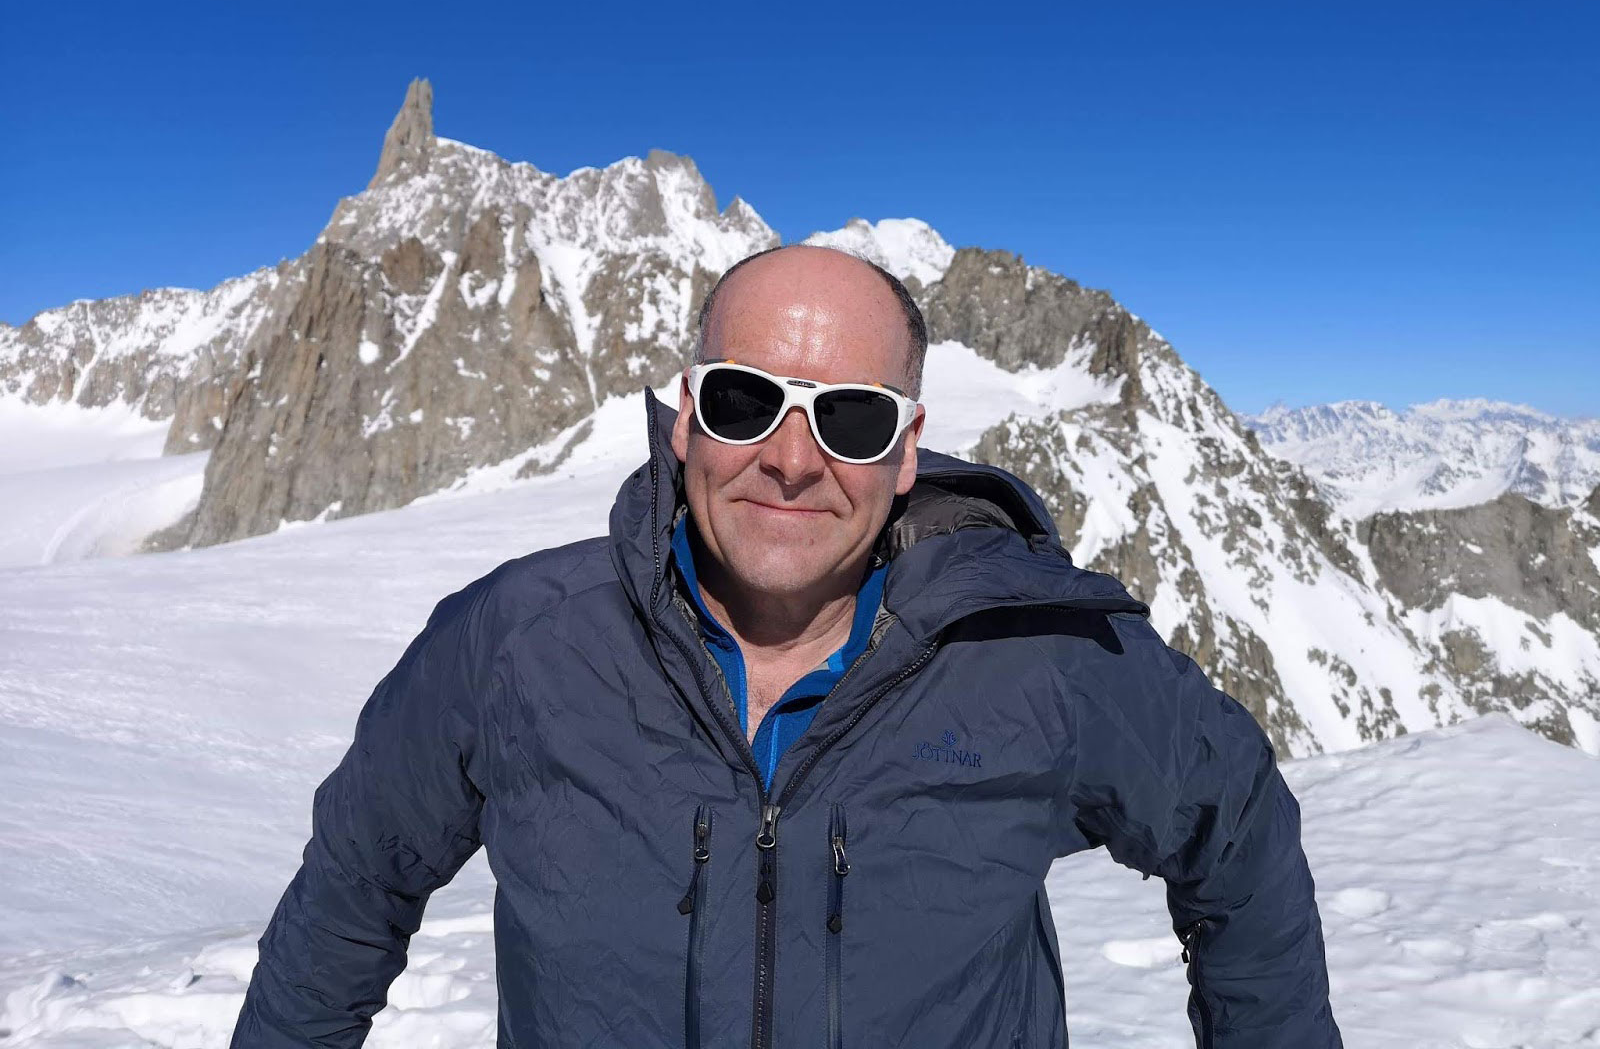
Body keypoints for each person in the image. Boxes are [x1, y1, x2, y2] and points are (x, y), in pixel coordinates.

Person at [230, 243, 1342, 1048]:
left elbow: (1233, 826)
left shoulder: (1036, 654)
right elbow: (351, 890)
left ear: (906, 452)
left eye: (850, 418)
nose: (793, 459)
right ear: (684, 420)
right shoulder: (514, 644)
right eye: (746, 399)